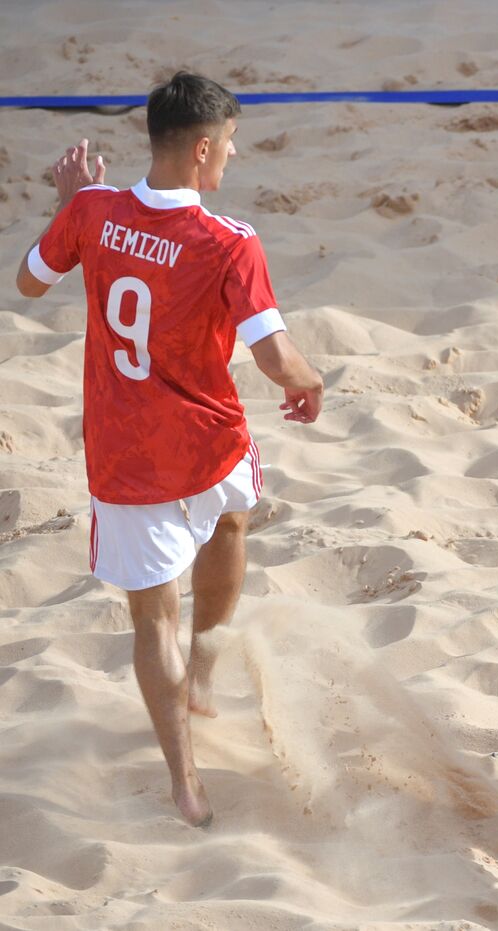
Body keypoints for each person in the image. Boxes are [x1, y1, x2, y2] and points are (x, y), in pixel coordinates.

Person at [13, 72, 324, 827]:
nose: (232, 161)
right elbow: (276, 359)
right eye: (231, 148)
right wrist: (313, 380)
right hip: (209, 442)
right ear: (203, 151)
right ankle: (206, 669)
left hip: (127, 457)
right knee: (230, 525)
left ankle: (186, 783)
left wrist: (69, 209)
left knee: (154, 618)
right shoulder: (228, 242)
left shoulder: (92, 210)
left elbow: (27, 283)